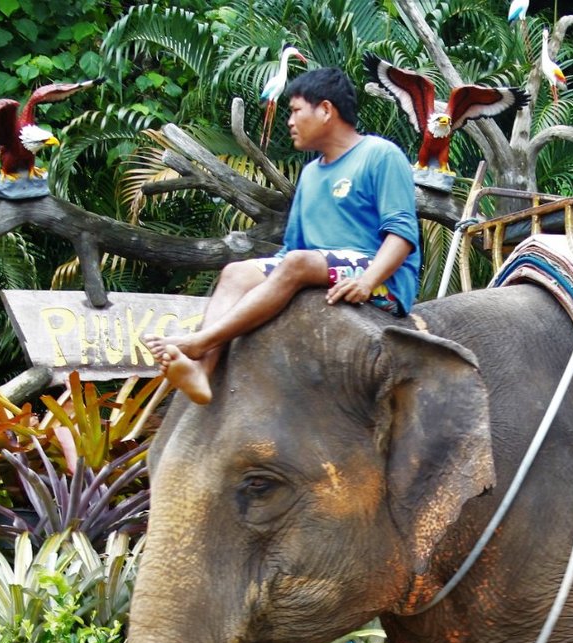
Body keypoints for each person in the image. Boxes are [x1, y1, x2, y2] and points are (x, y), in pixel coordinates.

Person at [146, 66, 421, 404]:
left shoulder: (380, 155)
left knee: (296, 263)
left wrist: (367, 282)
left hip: (379, 278)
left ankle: (201, 341)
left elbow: (403, 235)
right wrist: (260, 281)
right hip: (317, 264)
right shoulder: (309, 174)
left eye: (294, 111)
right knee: (236, 272)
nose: (289, 122)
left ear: (325, 110)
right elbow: (292, 250)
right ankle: (202, 370)